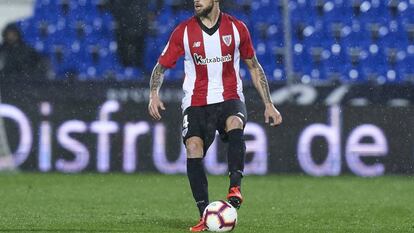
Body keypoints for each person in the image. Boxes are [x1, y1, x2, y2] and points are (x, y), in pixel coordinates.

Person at [147, 0, 282, 231]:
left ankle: (235, 187)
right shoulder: (184, 31)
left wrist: (268, 103)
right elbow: (160, 67)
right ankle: (205, 215)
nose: (196, 1)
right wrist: (153, 94)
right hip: (197, 100)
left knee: (234, 122)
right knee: (193, 147)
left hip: (229, 96)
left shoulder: (237, 28)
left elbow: (253, 66)